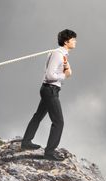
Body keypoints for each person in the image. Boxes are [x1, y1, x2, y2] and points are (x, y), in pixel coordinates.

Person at [21, 29, 77, 161]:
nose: (75, 41)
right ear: (66, 41)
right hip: (50, 90)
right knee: (58, 122)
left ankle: (26, 142)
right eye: (73, 39)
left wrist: (66, 69)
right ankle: (49, 152)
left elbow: (57, 71)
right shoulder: (58, 54)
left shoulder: (62, 55)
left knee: (38, 116)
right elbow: (50, 75)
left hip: (49, 90)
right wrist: (65, 75)